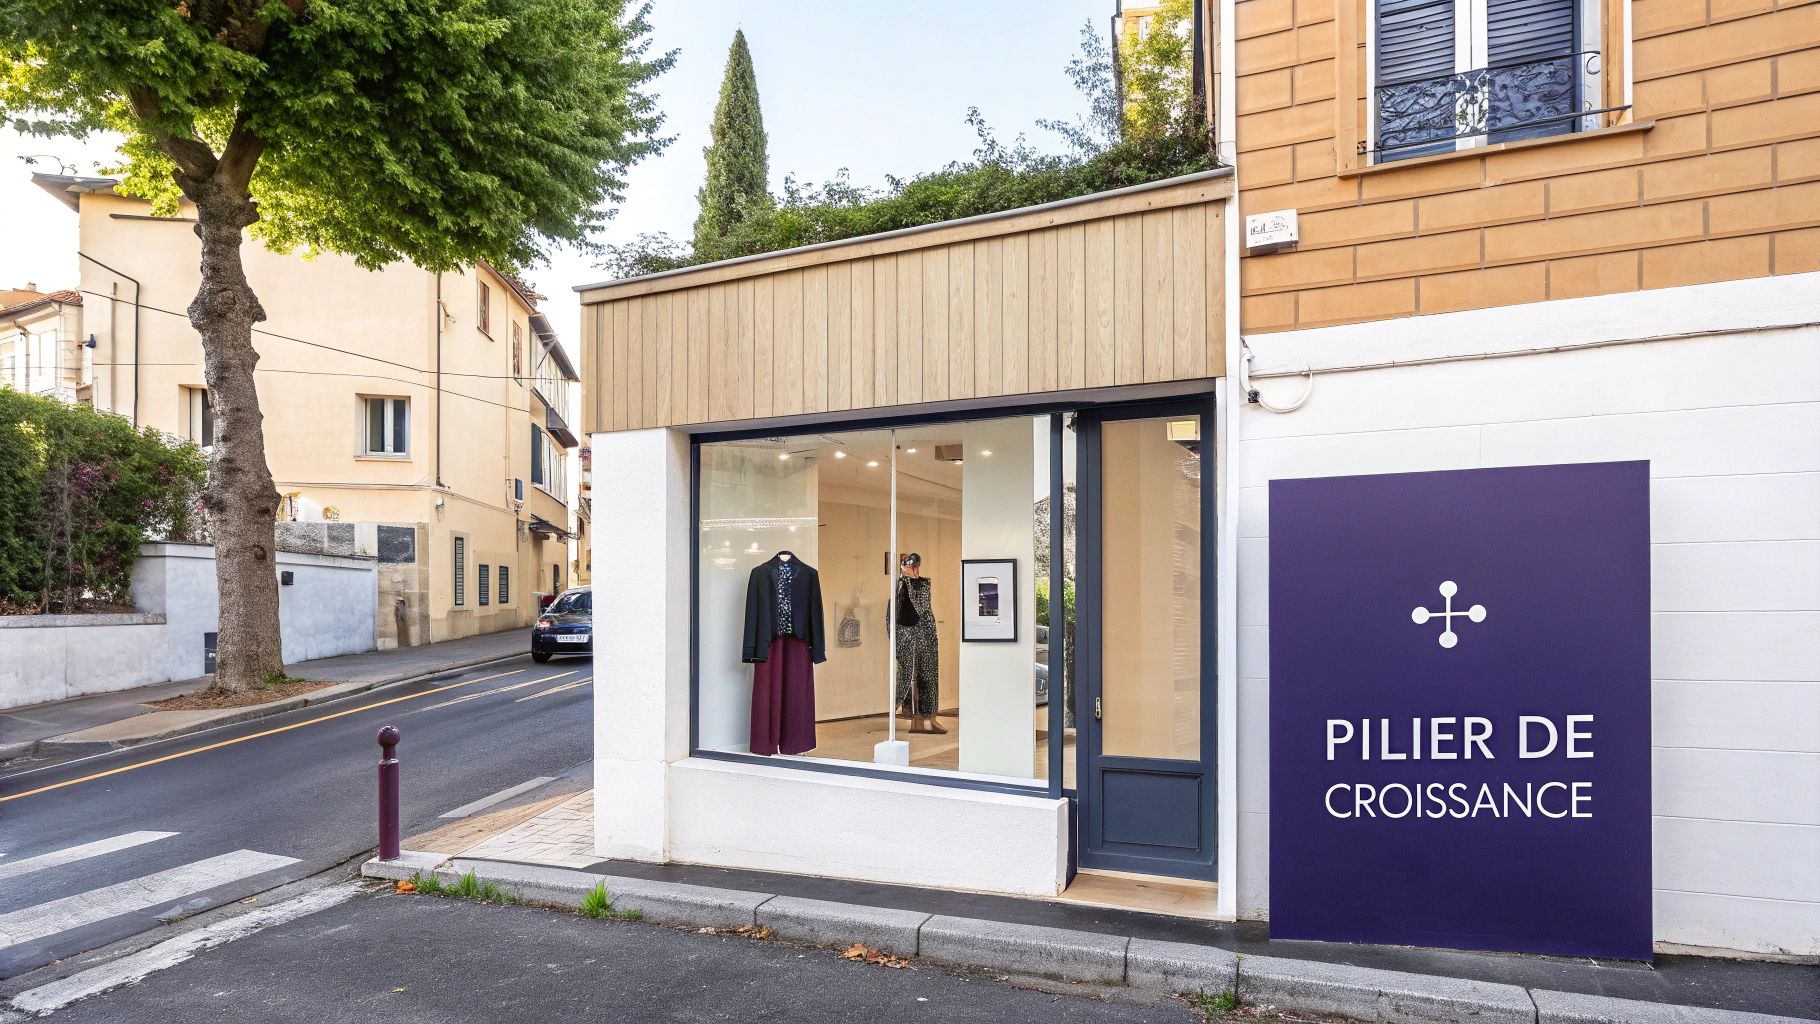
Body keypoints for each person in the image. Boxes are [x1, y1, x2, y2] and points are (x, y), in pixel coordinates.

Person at [894, 552, 944, 734]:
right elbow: (900, 615)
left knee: (929, 675)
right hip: (907, 636)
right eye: (910, 566)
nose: (914, 570)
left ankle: (929, 717)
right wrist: (905, 580)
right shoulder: (900, 586)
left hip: (925, 635)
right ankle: (915, 718)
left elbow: (921, 606)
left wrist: (908, 580)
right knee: (909, 675)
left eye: (916, 567)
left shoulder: (922, 584)